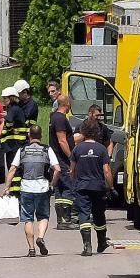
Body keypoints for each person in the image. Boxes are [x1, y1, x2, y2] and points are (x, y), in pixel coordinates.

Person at [4, 125, 60, 257]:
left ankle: (31, 249)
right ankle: (40, 237)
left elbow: (12, 169)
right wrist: (53, 183)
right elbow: (57, 169)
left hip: (26, 188)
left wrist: (7, 188)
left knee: (28, 218)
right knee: (43, 216)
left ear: (29, 136)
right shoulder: (47, 149)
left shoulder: (22, 150)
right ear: (40, 136)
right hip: (43, 187)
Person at [70, 118, 114, 257]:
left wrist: (74, 184)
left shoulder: (77, 148)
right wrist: (111, 187)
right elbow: (106, 171)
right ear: (96, 132)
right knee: (99, 214)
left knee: (83, 214)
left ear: (83, 132)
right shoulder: (101, 149)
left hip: (82, 187)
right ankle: (101, 242)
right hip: (98, 187)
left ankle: (87, 245)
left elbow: (72, 170)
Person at [50, 94, 77, 230]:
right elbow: (62, 140)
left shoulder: (54, 117)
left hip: (57, 158)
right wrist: (71, 156)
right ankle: (66, 219)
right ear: (67, 104)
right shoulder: (60, 119)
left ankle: (61, 220)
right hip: (62, 158)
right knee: (67, 187)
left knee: (59, 189)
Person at [0, 87, 27, 195]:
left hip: (14, 144)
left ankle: (15, 192)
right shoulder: (16, 109)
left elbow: (9, 122)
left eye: (5, 98)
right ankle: (15, 190)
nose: (4, 101)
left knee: (13, 167)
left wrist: (5, 130)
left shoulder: (13, 109)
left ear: (11, 98)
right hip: (16, 143)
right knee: (15, 167)